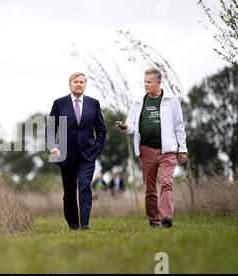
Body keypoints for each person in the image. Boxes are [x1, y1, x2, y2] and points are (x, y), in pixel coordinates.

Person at [117, 67, 187, 228]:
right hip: (146, 150)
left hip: (167, 150)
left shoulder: (171, 100)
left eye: (149, 82)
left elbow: (179, 125)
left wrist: (182, 148)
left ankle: (167, 217)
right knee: (149, 188)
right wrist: (125, 127)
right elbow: (132, 125)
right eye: (144, 82)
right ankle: (154, 221)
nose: (146, 85)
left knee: (166, 182)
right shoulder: (138, 101)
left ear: (158, 82)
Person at [48, 72, 107, 230]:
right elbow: (50, 128)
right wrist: (53, 147)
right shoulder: (59, 103)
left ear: (85, 85)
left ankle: (85, 224)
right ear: (70, 84)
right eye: (76, 82)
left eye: (82, 82)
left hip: (87, 156)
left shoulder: (93, 104)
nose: (79, 84)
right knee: (69, 193)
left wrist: (96, 150)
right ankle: (73, 225)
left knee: (84, 186)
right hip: (65, 155)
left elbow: (101, 130)